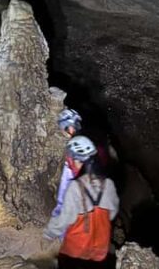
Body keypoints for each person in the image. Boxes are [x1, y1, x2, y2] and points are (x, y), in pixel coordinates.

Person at [44, 136, 119, 268]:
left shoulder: (75, 187)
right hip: (100, 252)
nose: (69, 163)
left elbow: (64, 219)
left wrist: (49, 234)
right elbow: (112, 214)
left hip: (75, 251)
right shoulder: (108, 184)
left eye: (70, 160)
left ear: (77, 161)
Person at [54, 109, 83, 216]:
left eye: (64, 129)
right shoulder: (86, 143)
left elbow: (66, 184)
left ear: (69, 127)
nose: (64, 133)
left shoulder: (76, 148)